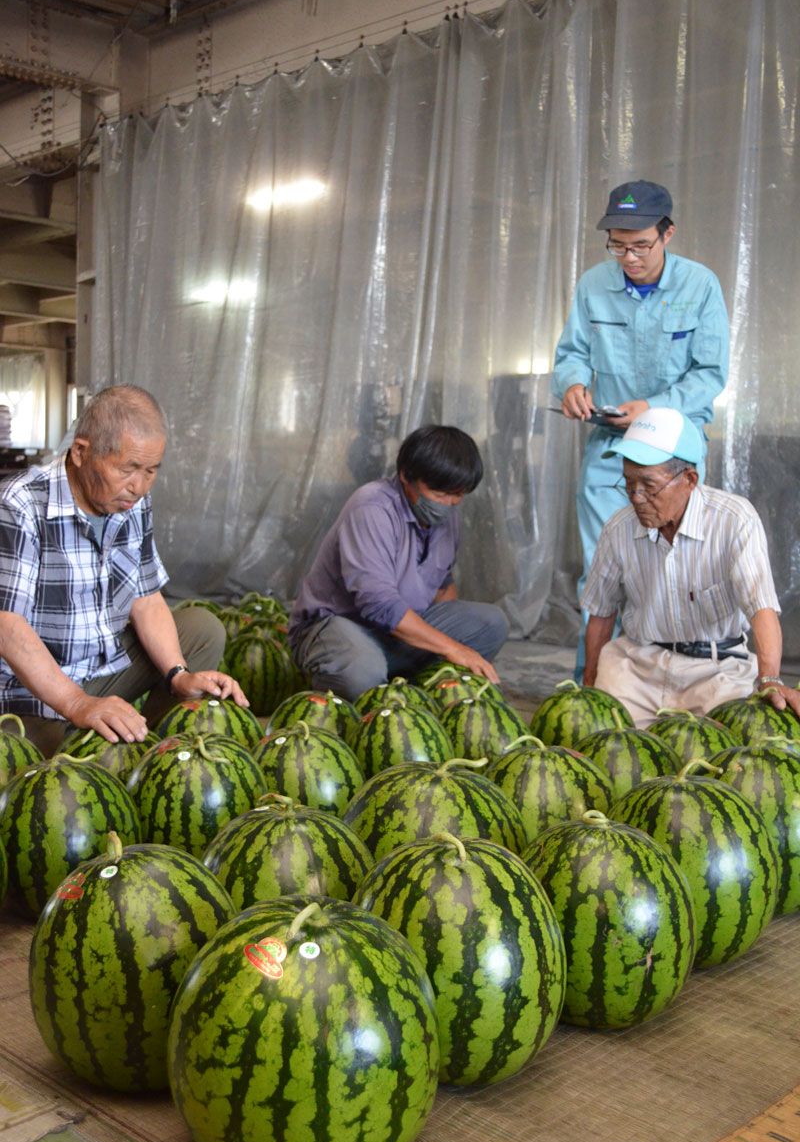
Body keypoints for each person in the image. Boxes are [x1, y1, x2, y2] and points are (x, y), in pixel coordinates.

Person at [0, 384, 248, 757]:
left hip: (98, 672)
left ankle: (149, 753)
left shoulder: (132, 502)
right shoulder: (20, 505)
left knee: (202, 630)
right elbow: (6, 625)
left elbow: (146, 599)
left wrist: (178, 676)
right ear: (81, 452)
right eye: (128, 468)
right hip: (29, 696)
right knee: (53, 776)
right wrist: (77, 703)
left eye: (151, 471)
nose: (139, 486)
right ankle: (92, 744)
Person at [552, 179, 730, 679]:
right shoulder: (593, 285)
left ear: (668, 234)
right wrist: (571, 385)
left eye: (640, 246)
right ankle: (595, 681)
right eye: (618, 246)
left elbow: (710, 373)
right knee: (601, 568)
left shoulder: (700, 286)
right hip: (609, 446)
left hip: (673, 450)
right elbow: (573, 354)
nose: (629, 258)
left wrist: (652, 408)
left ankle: (674, 677)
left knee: (673, 565)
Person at [581, 406, 800, 727]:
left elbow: (761, 607)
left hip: (716, 670)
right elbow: (601, 612)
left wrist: (770, 678)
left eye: (648, 486)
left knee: (721, 757)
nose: (637, 498)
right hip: (637, 666)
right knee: (605, 742)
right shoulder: (619, 528)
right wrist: (589, 684)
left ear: (689, 479)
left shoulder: (733, 519)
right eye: (628, 485)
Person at [288, 425, 510, 700]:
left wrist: (455, 649)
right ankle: (354, 683)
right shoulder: (372, 507)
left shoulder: (447, 514)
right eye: (439, 494)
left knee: (491, 623)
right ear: (406, 476)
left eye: (458, 495)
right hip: (340, 626)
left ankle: (419, 699)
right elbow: (378, 604)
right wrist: (452, 648)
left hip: (396, 633)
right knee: (361, 673)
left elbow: (442, 588)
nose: (449, 504)